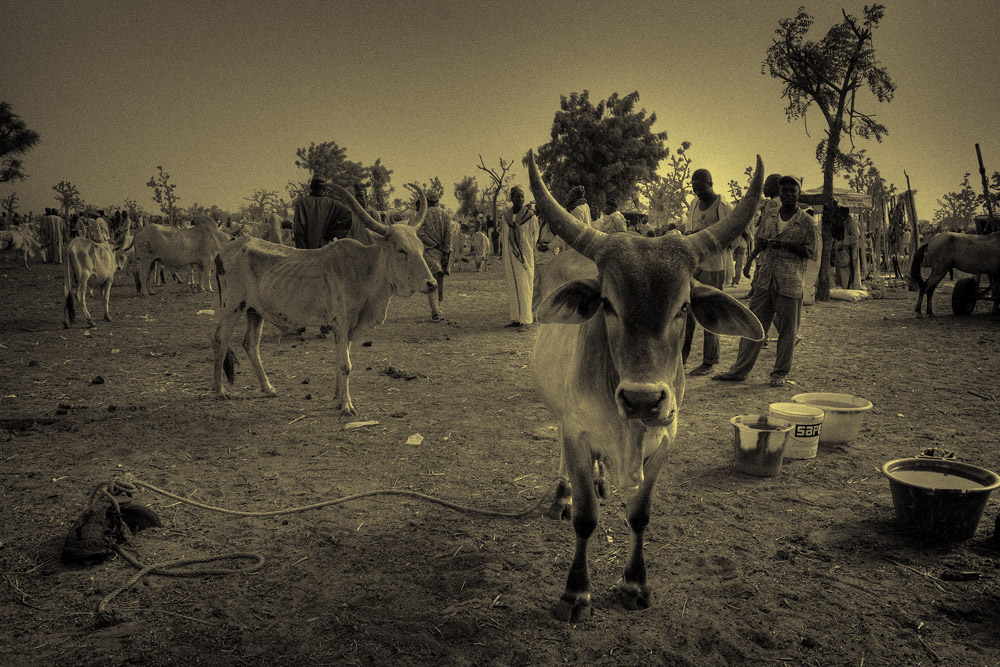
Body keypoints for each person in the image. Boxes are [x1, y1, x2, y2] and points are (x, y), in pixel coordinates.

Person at [713, 175, 817, 387]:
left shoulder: (807, 222)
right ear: (780, 191)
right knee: (753, 326)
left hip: (790, 282)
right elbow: (760, 242)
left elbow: (811, 251)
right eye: (785, 190)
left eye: (792, 190)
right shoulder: (769, 215)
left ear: (799, 193)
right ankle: (739, 371)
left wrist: (785, 245)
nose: (788, 194)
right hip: (765, 280)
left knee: (788, 331)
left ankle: (779, 373)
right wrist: (749, 262)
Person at [681, 168, 734, 376]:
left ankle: (709, 360)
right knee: (686, 311)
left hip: (715, 265)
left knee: (710, 312)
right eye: (694, 188)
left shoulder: (722, 206)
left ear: (711, 184)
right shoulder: (694, 204)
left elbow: (729, 235)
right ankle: (682, 356)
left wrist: (701, 235)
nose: (697, 192)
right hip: (694, 265)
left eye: (701, 188)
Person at [501, 186, 539, 328]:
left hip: (524, 256)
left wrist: (524, 249)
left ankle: (525, 319)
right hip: (510, 256)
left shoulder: (530, 217)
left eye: (522, 197)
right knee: (513, 285)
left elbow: (535, 237)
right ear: (511, 198)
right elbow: (503, 236)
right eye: (517, 197)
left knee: (525, 285)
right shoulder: (506, 217)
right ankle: (516, 317)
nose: (520, 199)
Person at [415, 190, 452, 320]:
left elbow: (420, 234)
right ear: (438, 201)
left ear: (427, 201)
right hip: (443, 253)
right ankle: (439, 306)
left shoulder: (422, 215)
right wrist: (445, 250)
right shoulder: (445, 215)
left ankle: (435, 309)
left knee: (431, 281)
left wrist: (434, 244)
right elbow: (449, 234)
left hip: (429, 252)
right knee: (440, 280)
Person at [292, 175, 356, 249]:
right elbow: (349, 215)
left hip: (306, 252)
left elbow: (298, 230)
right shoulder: (333, 204)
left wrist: (302, 251)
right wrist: (332, 233)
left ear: (311, 186)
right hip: (326, 250)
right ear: (324, 188)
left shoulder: (301, 202)